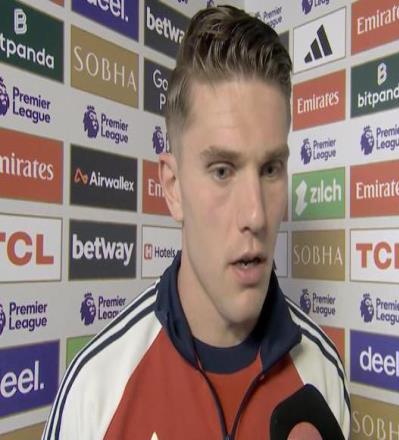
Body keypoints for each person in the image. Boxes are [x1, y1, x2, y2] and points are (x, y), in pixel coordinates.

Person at [43, 5, 350, 439]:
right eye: (222, 170)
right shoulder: (94, 392)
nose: (256, 215)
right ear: (172, 187)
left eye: (270, 169)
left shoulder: (324, 374)